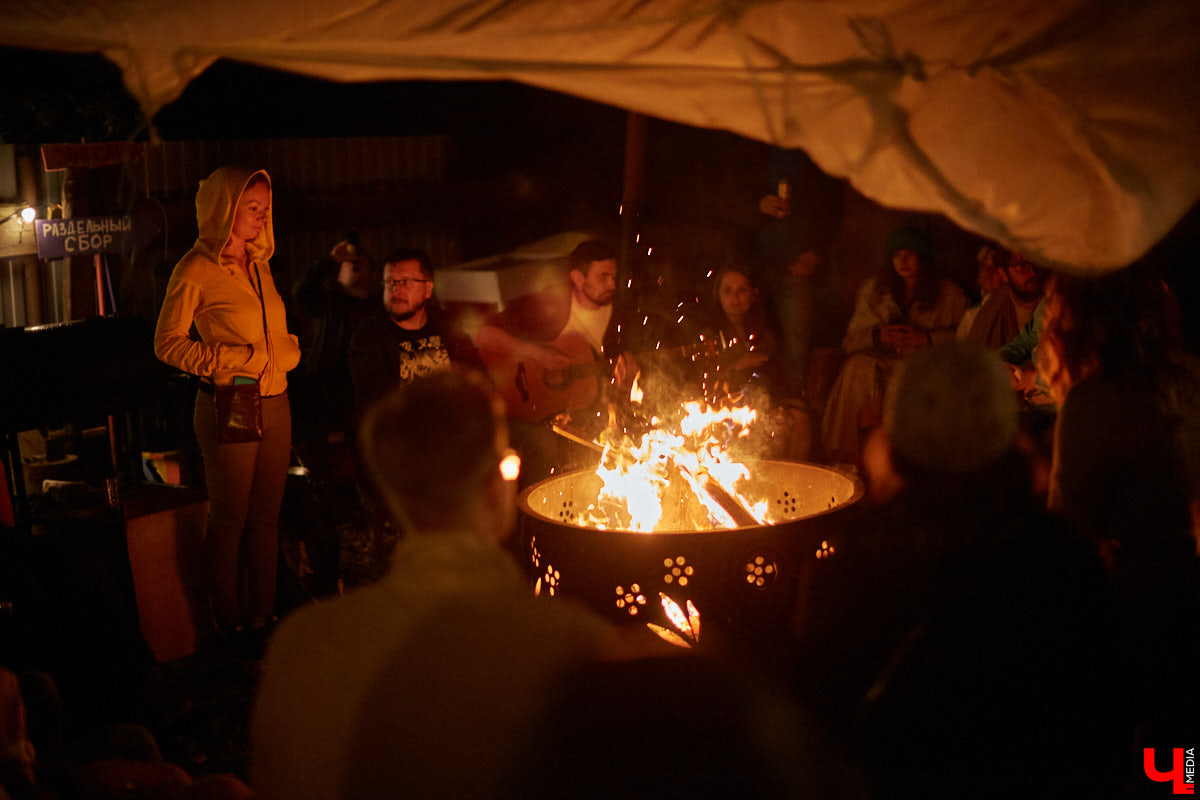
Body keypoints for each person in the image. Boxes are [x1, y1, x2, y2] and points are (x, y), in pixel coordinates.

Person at [250, 369, 618, 800]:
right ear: (497, 488)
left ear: (392, 498)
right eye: (509, 463)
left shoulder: (301, 643)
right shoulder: (570, 649)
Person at [795, 341, 1123, 797]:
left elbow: (820, 715)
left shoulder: (852, 554)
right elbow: (1108, 722)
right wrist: (1183, 779)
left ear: (895, 439)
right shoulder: (1059, 553)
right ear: (1007, 435)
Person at [1039, 264, 1200, 755]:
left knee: (1126, 743)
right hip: (1188, 596)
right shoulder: (1194, 377)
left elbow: (1064, 535)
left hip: (1131, 603)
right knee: (1183, 743)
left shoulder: (1093, 402)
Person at [154, 167, 301, 643]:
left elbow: (268, 330)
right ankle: (229, 624)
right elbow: (167, 343)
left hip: (276, 397)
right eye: (251, 208)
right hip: (234, 397)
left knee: (266, 517)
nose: (261, 218)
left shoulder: (260, 265)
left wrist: (286, 349)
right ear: (223, 210)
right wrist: (229, 360)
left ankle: (265, 616)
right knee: (231, 516)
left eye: (264, 209)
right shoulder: (195, 268)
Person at [473, 238, 638, 482]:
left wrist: (627, 381)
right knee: (543, 446)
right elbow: (481, 334)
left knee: (623, 437)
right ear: (577, 278)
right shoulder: (548, 305)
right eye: (603, 277)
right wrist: (537, 354)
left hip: (585, 407)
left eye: (613, 277)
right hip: (527, 408)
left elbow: (615, 379)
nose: (612, 284)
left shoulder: (621, 315)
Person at [819, 227, 966, 466]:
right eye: (897, 255)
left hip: (921, 364)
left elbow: (966, 338)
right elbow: (851, 340)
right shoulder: (875, 290)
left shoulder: (949, 294)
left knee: (905, 380)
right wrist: (878, 335)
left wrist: (925, 338)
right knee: (856, 368)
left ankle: (896, 463)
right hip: (879, 360)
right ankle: (845, 457)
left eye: (910, 254)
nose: (903, 261)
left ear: (923, 258)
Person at [347, 247, 484, 419]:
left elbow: (479, 380)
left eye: (405, 282)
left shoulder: (447, 325)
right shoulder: (369, 336)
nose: (396, 291)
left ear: (427, 289)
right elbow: (375, 409)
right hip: (406, 436)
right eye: (390, 282)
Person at [754, 147, 844, 402]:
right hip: (756, 267)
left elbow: (834, 212)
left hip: (796, 268)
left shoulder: (818, 153)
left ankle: (794, 411)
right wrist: (758, 204)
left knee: (796, 349)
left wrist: (816, 251)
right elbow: (730, 197)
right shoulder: (756, 144)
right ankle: (754, 408)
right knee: (754, 341)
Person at [291, 234, 376, 443]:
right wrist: (330, 261)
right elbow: (300, 292)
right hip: (328, 395)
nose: (355, 264)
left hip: (365, 398)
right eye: (349, 263)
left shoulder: (379, 310)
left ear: (372, 273)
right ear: (338, 275)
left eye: (361, 262)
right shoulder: (327, 305)